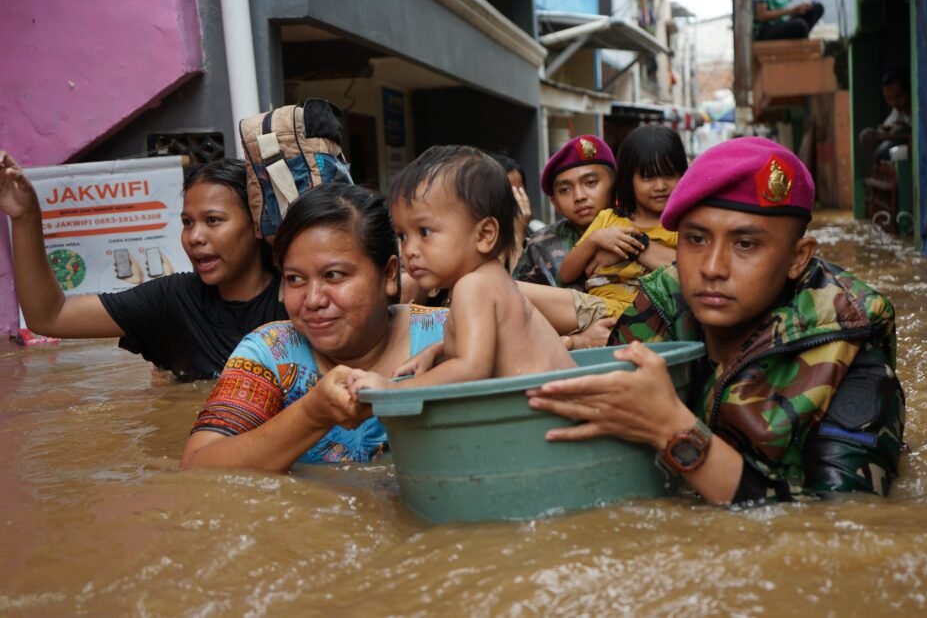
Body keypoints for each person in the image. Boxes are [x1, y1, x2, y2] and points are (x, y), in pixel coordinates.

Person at [527, 138, 906, 505]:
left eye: (745, 245)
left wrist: (675, 431)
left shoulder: (851, 337)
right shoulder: (664, 295)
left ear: (797, 257)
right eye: (695, 239)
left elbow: (843, 524)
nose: (711, 268)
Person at [180, 182, 448, 470]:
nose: (313, 300)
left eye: (333, 275)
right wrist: (311, 415)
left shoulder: (449, 335)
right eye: (295, 279)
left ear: (389, 274)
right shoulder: (271, 352)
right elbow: (198, 467)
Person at [0, 151, 286, 381]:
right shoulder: (172, 301)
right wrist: (25, 216)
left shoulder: (295, 299)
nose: (195, 237)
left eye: (213, 220)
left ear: (256, 225)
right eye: (187, 223)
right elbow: (50, 317)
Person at [349, 146, 574, 393]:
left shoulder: (473, 286)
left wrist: (392, 389)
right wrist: (438, 350)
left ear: (485, 234)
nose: (409, 250)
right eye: (402, 236)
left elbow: (472, 368)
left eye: (425, 232)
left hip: (543, 416)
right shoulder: (490, 278)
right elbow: (488, 340)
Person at [521, 125, 687, 337]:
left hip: (649, 319)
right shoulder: (604, 222)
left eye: (591, 182)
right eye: (648, 177)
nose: (660, 186)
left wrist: (632, 247)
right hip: (596, 308)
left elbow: (687, 272)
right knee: (508, 291)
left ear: (613, 183)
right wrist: (596, 240)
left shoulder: (682, 224)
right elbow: (565, 274)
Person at [512, 134, 616, 291]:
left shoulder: (637, 228)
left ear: (614, 185)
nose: (579, 196)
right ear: (555, 203)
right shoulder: (540, 246)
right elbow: (519, 303)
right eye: (565, 190)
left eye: (590, 182)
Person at [859, 71, 912, 163]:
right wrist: (884, 131)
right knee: (867, 134)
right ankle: (876, 170)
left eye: (898, 97)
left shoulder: (917, 109)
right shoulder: (897, 111)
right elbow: (886, 128)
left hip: (909, 151)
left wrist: (893, 135)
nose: (894, 103)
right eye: (889, 99)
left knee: (885, 148)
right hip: (895, 145)